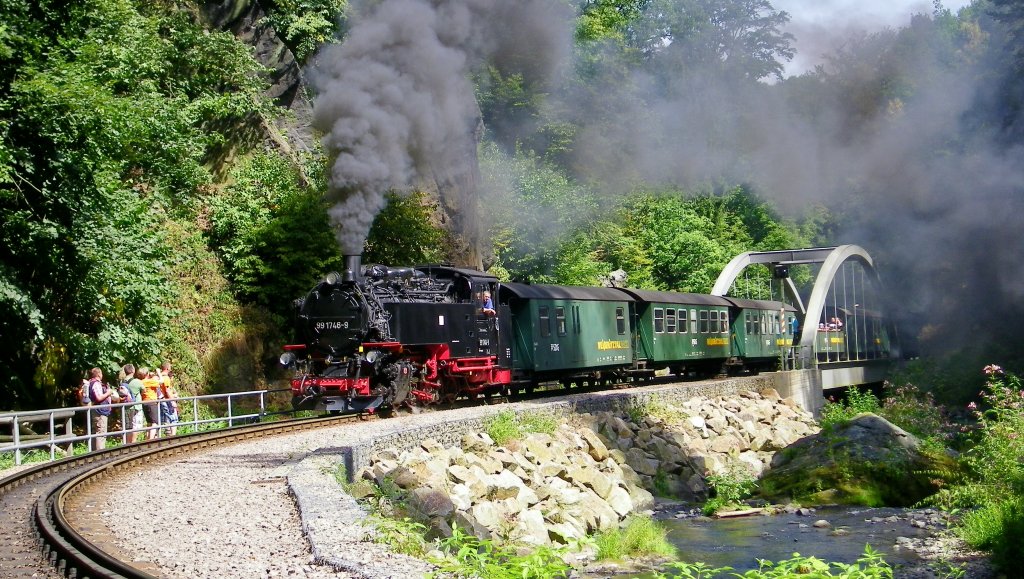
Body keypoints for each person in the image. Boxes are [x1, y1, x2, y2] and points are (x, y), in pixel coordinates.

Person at [87, 367, 118, 451]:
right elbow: (99, 397)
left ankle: (94, 453)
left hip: (99, 410)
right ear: (99, 374)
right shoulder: (96, 384)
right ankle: (99, 453)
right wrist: (108, 392)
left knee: (97, 431)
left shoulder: (91, 382)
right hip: (100, 411)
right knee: (101, 432)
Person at [121, 364, 144, 443]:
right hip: (136, 406)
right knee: (136, 426)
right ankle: (133, 443)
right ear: (133, 371)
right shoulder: (137, 381)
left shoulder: (122, 382)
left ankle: (127, 443)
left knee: (128, 426)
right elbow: (144, 391)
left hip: (126, 406)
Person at [138, 366, 162, 439]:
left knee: (149, 422)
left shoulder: (140, 382)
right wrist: (158, 373)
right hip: (152, 402)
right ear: (147, 374)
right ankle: (151, 440)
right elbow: (161, 381)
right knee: (155, 422)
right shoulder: (149, 381)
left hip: (144, 403)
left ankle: (147, 438)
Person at [157, 362, 179, 436]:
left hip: (161, 400)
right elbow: (167, 391)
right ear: (167, 368)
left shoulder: (158, 377)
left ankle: (167, 435)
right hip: (167, 400)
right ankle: (173, 436)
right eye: (170, 368)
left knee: (165, 419)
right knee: (173, 419)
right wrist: (172, 401)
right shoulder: (166, 378)